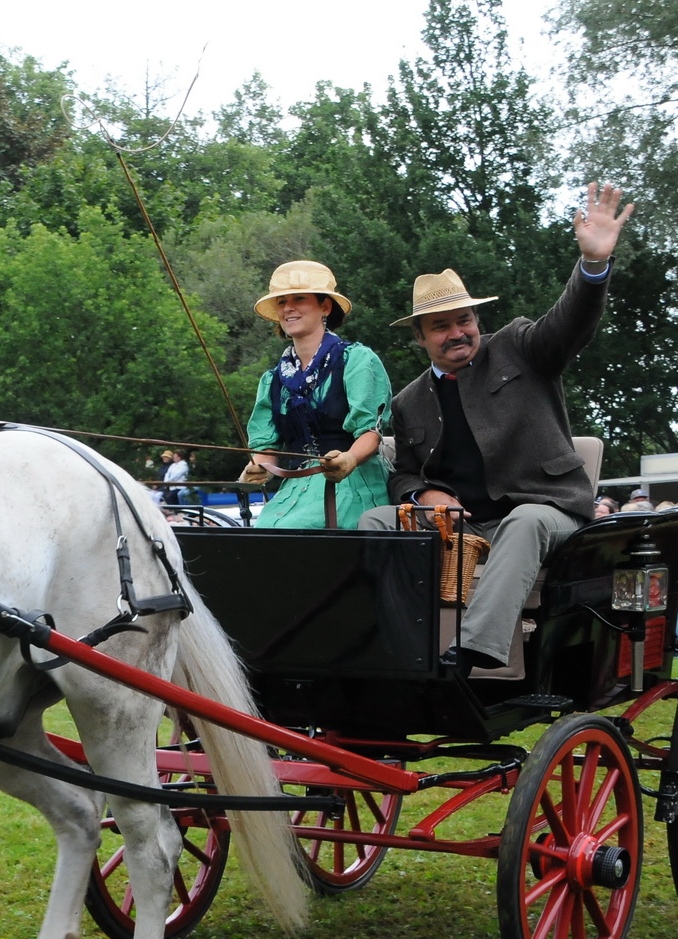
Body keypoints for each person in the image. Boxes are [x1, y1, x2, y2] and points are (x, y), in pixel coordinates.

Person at [357, 181, 635, 672]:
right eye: (441, 326)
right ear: (421, 338)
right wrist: (425, 497)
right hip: (466, 526)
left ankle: (472, 653)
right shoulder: (409, 401)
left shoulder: (521, 347)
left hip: (550, 514)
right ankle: (393, 648)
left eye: (464, 319)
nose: (457, 332)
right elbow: (402, 474)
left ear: (477, 320)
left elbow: (571, 321)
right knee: (376, 522)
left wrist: (593, 266)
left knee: (523, 521)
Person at [239, 260, 390, 528]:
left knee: (290, 533)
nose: (288, 308)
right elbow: (265, 447)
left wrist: (349, 459)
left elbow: (371, 432)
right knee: (262, 533)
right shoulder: (273, 379)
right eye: (282, 302)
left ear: (325, 306)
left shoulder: (355, 360)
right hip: (295, 489)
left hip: (350, 483)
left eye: (299, 299)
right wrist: (258, 467)